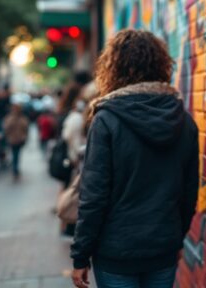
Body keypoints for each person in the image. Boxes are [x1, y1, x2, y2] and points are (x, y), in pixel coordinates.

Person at [71, 30, 199, 288]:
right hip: (163, 247)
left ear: (113, 68)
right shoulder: (183, 121)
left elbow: (93, 196)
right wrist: (177, 238)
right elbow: (189, 193)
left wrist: (80, 255)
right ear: (161, 65)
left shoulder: (106, 120)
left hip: (115, 252)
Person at [3, 104, 29, 179]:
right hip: (12, 140)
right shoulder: (10, 118)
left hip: (20, 139)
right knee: (15, 155)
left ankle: (15, 169)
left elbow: (25, 128)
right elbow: (6, 128)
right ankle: (15, 169)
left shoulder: (22, 118)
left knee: (17, 155)